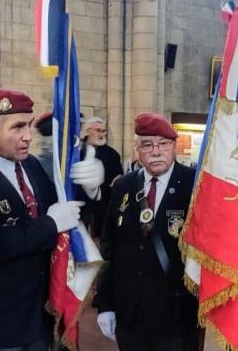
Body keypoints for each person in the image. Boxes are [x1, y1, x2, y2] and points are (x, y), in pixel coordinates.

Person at [0, 88, 93, 351]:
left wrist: (91, 191)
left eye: (29, 125)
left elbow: (62, 210)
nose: (28, 136)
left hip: (39, 315)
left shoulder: (30, 165)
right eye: (17, 127)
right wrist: (50, 225)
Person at [96, 112, 199, 351]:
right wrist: (105, 304)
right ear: (136, 149)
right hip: (130, 313)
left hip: (176, 315)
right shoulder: (123, 186)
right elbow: (109, 249)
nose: (155, 152)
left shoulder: (194, 185)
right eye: (147, 145)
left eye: (163, 144)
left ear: (174, 147)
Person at [75, 116, 123, 238]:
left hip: (103, 208)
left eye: (104, 131)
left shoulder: (111, 154)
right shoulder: (76, 151)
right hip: (79, 207)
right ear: (88, 131)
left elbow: (118, 180)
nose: (102, 134)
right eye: (98, 130)